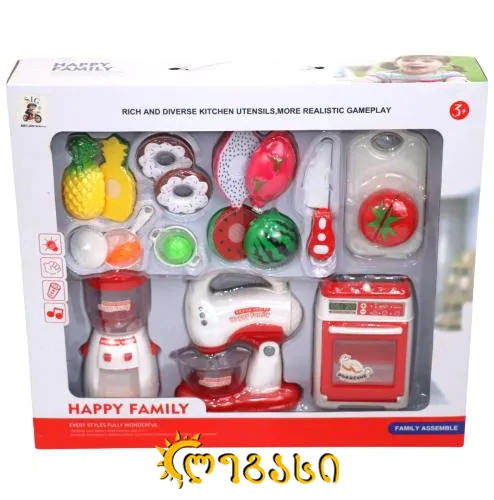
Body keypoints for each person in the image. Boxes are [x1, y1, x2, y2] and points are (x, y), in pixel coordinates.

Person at [364, 55, 467, 83]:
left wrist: (452, 85)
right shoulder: (388, 75)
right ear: (396, 63)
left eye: (427, 61)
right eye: (408, 60)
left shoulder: (446, 75)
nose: (416, 63)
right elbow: (369, 79)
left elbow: (457, 79)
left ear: (444, 64)